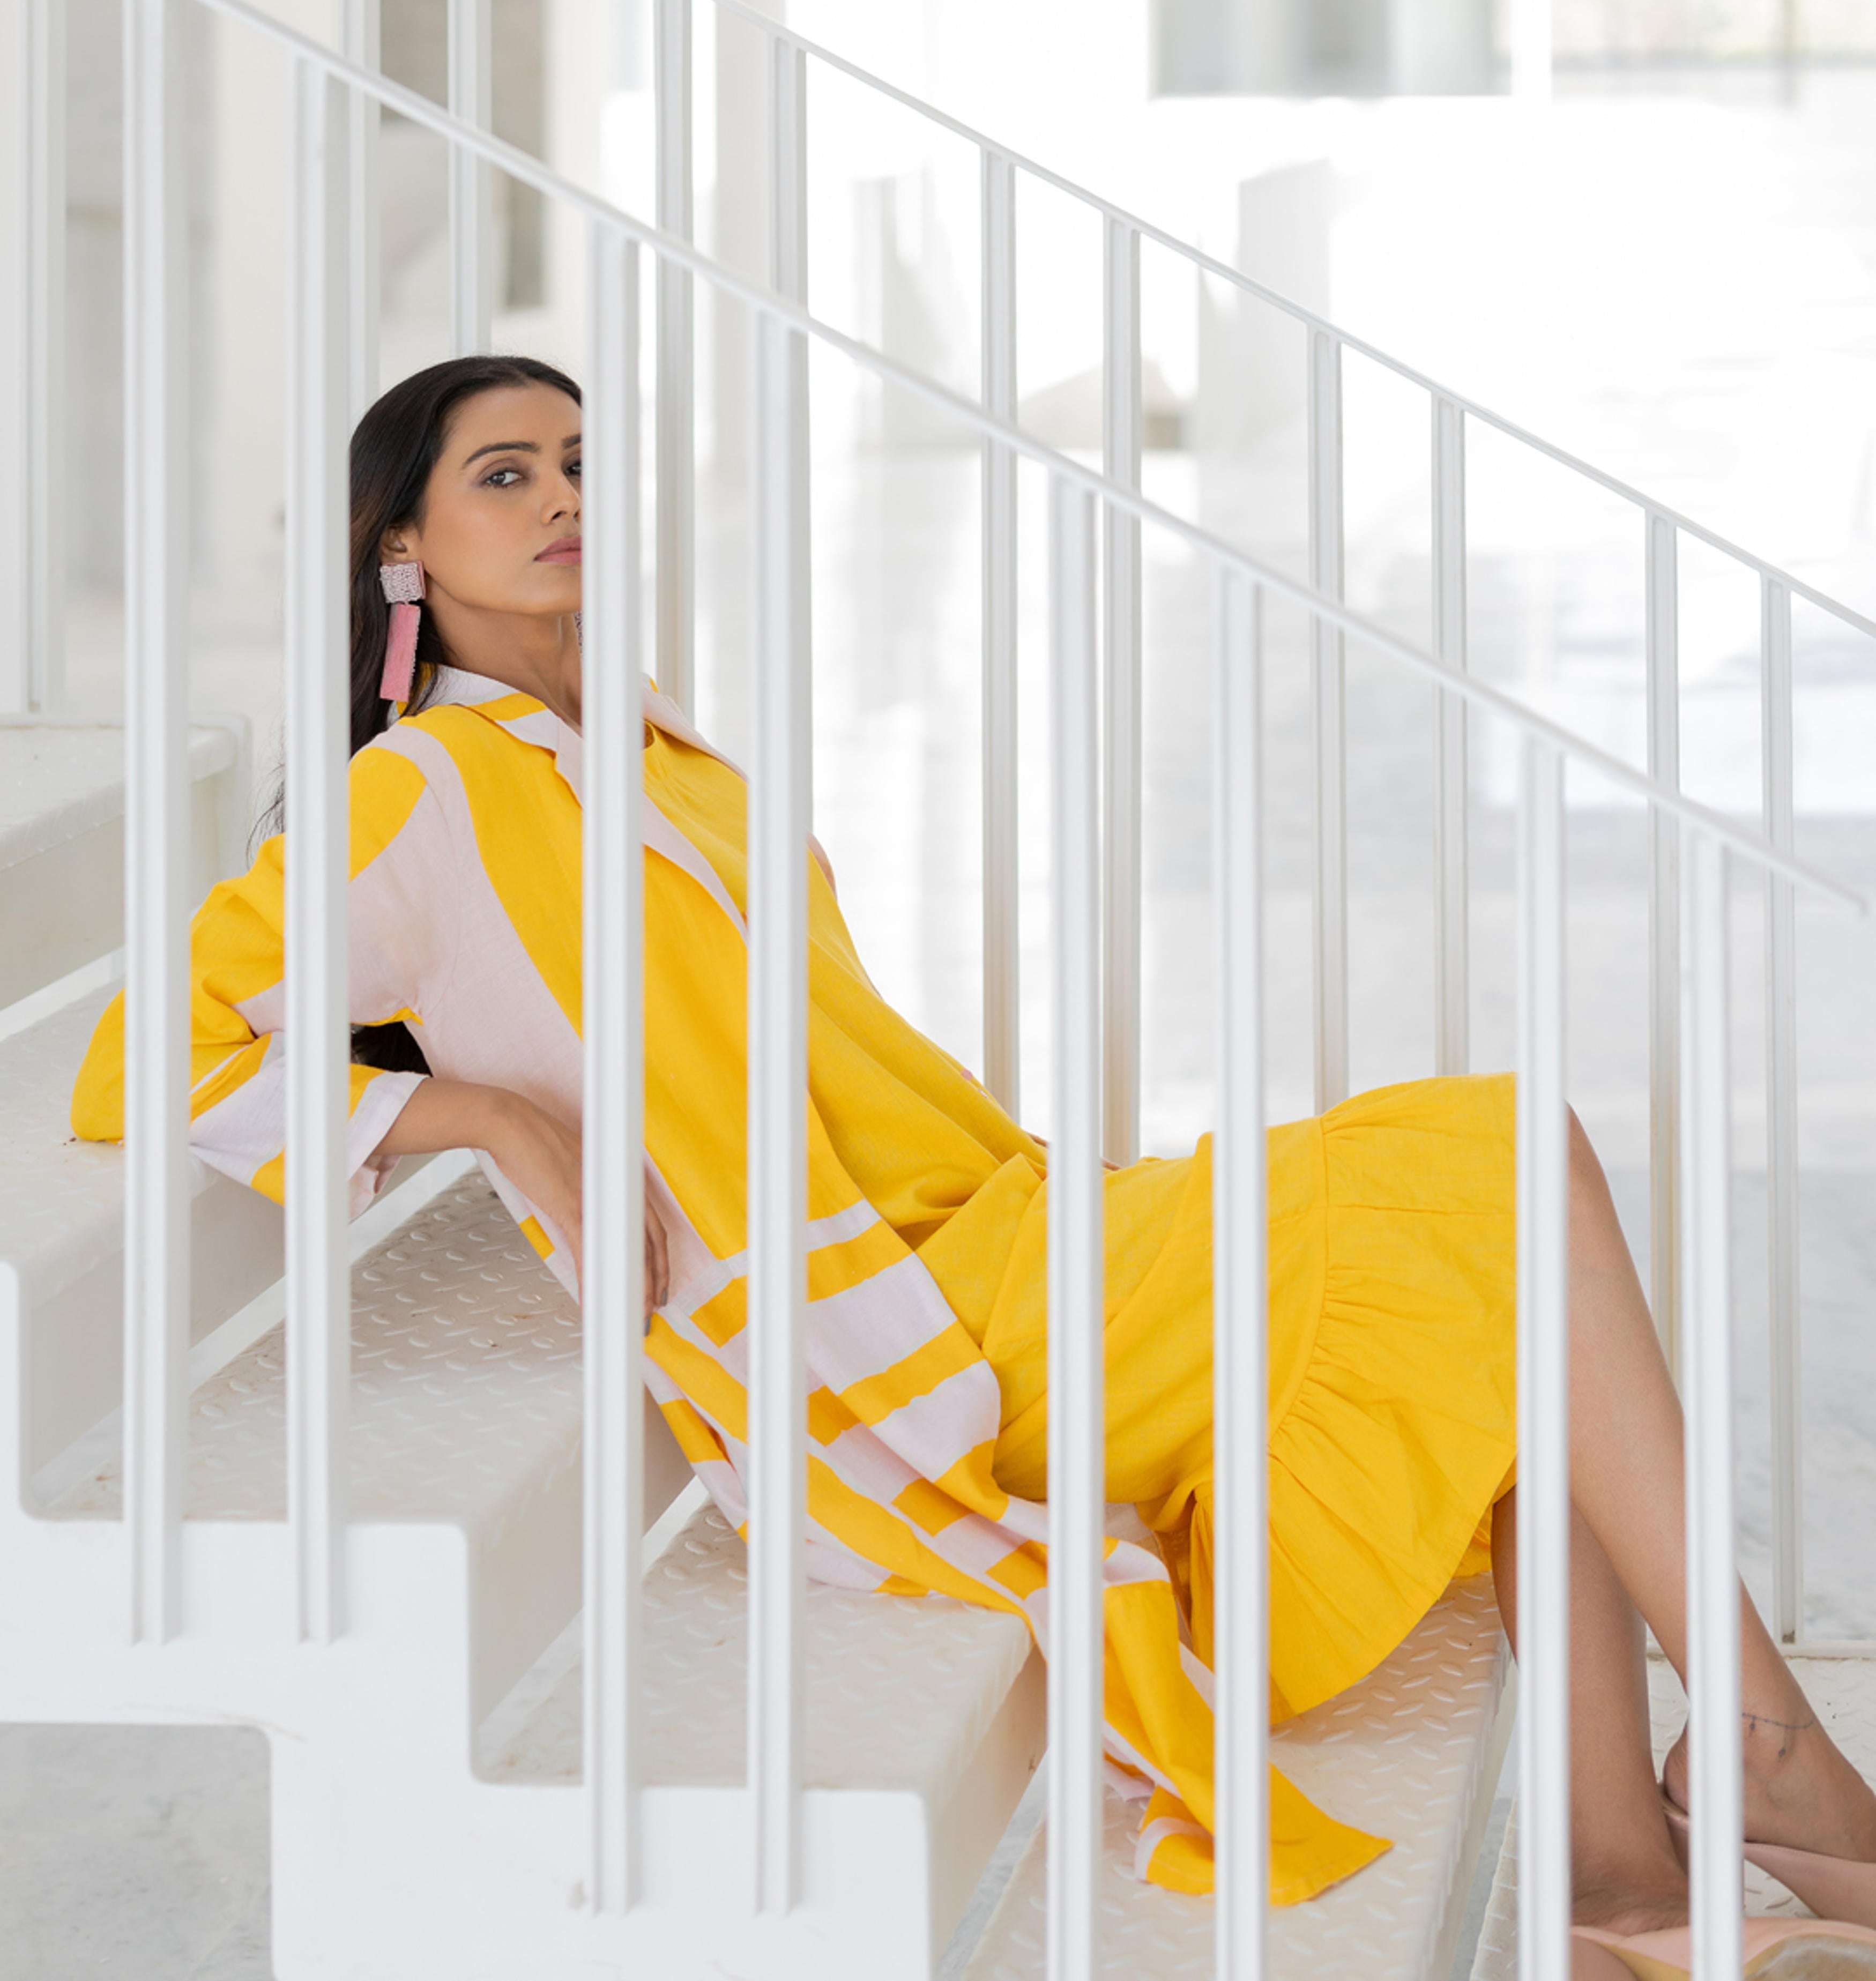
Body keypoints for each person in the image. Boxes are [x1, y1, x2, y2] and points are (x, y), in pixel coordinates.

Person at [71, 354, 1876, 1979]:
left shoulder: (653, 747)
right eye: (504, 474)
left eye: (580, 462)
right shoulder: (423, 789)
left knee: (1499, 1290)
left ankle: (1619, 1876)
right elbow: (152, 1055)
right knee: (1503, 1164)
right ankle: (1757, 1755)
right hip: (910, 1326)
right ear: (401, 543)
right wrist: (485, 1115)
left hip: (994, 1223)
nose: (561, 497)